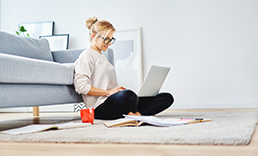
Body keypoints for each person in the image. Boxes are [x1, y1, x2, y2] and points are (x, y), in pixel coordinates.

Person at [74, 16, 174, 120]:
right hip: (99, 107)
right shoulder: (86, 55)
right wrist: (108, 92)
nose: (109, 43)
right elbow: (80, 86)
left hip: (114, 101)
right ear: (94, 36)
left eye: (111, 39)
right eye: (106, 39)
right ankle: (141, 112)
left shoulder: (103, 57)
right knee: (129, 96)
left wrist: (116, 92)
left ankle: (136, 115)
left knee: (166, 97)